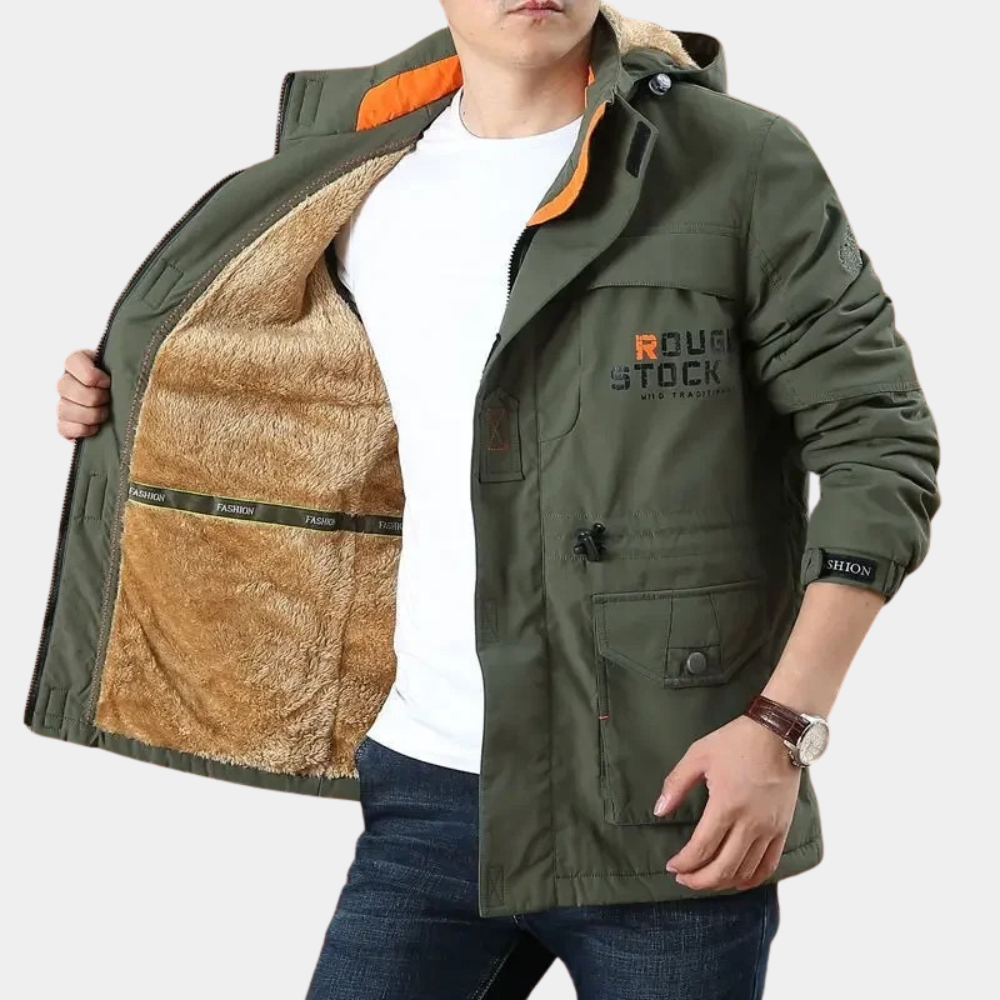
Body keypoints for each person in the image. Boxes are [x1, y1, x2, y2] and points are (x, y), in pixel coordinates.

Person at [50, 2, 940, 997]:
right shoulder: (359, 178)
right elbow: (303, 397)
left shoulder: (736, 164)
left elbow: (880, 448)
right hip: (427, 787)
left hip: (673, 796)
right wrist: (131, 395)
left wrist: (782, 726)